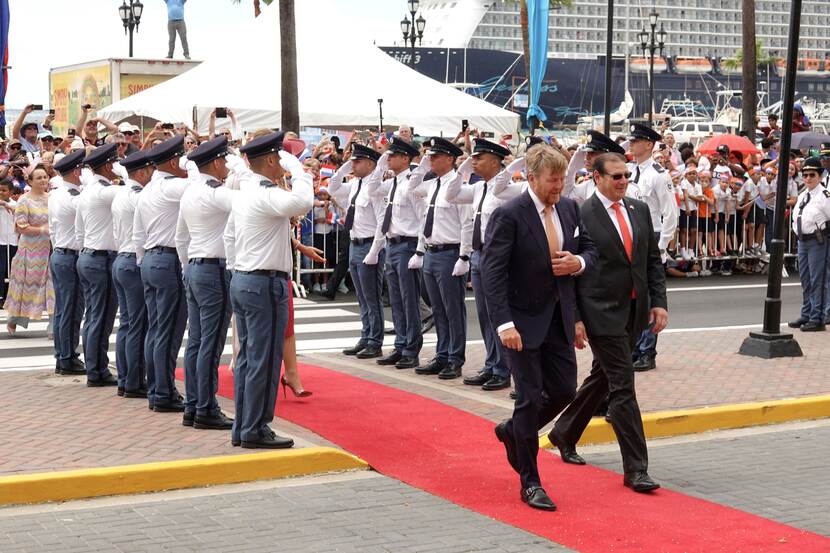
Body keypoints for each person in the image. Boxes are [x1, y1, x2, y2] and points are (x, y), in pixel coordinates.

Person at [482, 145, 596, 511]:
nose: (559, 186)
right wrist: (503, 323)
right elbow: (492, 273)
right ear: (531, 178)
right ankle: (530, 482)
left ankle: (514, 431)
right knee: (529, 398)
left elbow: (589, 251)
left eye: (563, 178)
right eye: (552, 180)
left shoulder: (568, 207)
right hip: (520, 322)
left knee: (564, 391)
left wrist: (576, 262)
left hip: (558, 319)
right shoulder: (509, 214)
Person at [550, 152, 668, 494]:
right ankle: (636, 469)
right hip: (599, 311)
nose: (623, 181)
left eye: (626, 176)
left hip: (634, 310)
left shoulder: (638, 209)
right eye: (615, 176)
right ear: (596, 177)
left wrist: (658, 302)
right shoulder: (580, 213)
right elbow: (570, 272)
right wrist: (574, 318)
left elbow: (651, 261)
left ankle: (565, 431)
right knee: (622, 385)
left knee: (603, 377)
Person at [223, 131, 313, 448]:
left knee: (249, 358)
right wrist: (299, 170)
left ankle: (244, 426)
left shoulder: (247, 193)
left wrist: (238, 269)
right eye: (281, 159)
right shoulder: (265, 193)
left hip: (245, 278)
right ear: (274, 160)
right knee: (264, 359)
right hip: (263, 283)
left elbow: (229, 239)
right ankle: (255, 429)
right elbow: (303, 200)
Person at [446, 139, 524, 391]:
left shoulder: (507, 190)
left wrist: (508, 170)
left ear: (494, 160)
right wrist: (461, 171)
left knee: (499, 314)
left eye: (478, 158)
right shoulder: (479, 188)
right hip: (479, 255)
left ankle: (504, 369)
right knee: (484, 314)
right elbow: (452, 194)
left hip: (498, 257)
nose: (474, 162)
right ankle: (492, 364)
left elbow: (502, 190)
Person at [176, 137, 236, 430]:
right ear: (214, 163)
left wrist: (189, 266)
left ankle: (193, 405)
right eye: (224, 160)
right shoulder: (215, 192)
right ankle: (206, 407)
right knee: (210, 345)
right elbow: (247, 203)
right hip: (213, 270)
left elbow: (180, 238)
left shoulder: (190, 192)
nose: (227, 165)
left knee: (196, 342)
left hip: (196, 267)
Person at [407, 137, 472, 380]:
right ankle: (442, 354)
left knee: (453, 309)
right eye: (429, 156)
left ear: (449, 159)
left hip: (450, 252)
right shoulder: (431, 184)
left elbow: (467, 224)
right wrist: (422, 166)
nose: (430, 159)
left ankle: (455, 358)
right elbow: (412, 188)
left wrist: (464, 255)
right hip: (432, 252)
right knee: (438, 310)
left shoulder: (459, 187)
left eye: (435, 156)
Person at [134, 136, 190, 412]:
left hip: (151, 259)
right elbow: (203, 183)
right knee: (168, 332)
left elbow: (137, 235)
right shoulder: (173, 187)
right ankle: (164, 392)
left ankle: (157, 389)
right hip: (167, 260)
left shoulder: (147, 190)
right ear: (172, 161)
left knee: (155, 330)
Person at [365, 137, 424, 369]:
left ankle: (411, 349)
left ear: (405, 158)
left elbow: (422, 219)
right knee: (397, 300)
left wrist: (419, 251)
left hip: (408, 244)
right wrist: (379, 168)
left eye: (392, 155)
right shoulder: (393, 183)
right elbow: (372, 190)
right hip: (392, 244)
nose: (387, 158)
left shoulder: (411, 183)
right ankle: (400, 345)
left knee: (410, 301)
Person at [625, 123, 677, 373]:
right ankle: (635, 347)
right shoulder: (628, 171)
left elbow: (671, 214)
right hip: (631, 235)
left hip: (651, 237)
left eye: (636, 141)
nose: (631, 144)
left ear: (648, 144)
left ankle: (647, 351)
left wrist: (661, 247)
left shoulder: (658, 175)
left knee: (648, 297)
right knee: (633, 297)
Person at [329, 144, 387, 359]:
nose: (353, 164)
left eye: (357, 161)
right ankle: (366, 336)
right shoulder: (355, 184)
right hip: (355, 243)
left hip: (370, 244)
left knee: (372, 297)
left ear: (371, 164)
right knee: (362, 298)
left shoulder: (375, 187)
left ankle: (375, 341)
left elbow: (382, 220)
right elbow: (332, 189)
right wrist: (343, 170)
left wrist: (375, 250)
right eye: (352, 161)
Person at [74, 144, 122, 387]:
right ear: (106, 165)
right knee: (101, 317)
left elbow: (78, 230)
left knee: (93, 315)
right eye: (114, 162)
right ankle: (97, 370)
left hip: (89, 255)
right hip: (101, 258)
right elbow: (134, 192)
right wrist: (125, 172)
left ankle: (95, 367)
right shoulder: (105, 191)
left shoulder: (87, 191)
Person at [111, 150, 154, 398]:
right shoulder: (138, 196)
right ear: (141, 172)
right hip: (133, 261)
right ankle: (135, 381)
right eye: (149, 170)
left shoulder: (122, 193)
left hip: (122, 258)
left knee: (128, 324)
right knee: (138, 325)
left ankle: (126, 379)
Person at [3, 165, 55, 336]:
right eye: (38, 178)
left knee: (52, 288)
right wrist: (42, 230)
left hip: (49, 251)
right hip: (29, 252)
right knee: (24, 288)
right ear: (30, 181)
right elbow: (21, 226)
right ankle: (14, 319)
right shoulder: (24, 200)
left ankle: (53, 326)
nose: (43, 180)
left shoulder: (52, 198)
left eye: (45, 177)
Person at [48, 151, 87, 376]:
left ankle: (64, 355)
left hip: (61, 252)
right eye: (81, 169)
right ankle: (67, 357)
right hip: (69, 255)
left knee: (65, 308)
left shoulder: (58, 194)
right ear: (75, 171)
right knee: (71, 309)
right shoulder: (73, 198)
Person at [788, 157, 830, 332]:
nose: (807, 178)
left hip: (818, 241)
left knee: (817, 280)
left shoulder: (824, 196)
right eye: (804, 175)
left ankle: (817, 317)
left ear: (820, 176)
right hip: (803, 241)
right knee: (805, 279)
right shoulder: (804, 194)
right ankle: (807, 313)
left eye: (812, 174)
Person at [564, 130, 626, 206]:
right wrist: (572, 169)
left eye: (592, 153)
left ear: (608, 155)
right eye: (586, 152)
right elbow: (565, 196)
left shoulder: (623, 185)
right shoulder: (589, 185)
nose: (587, 156)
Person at [0, 179, 18, 302]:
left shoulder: (15, 205)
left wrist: (8, 206)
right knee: (1, 269)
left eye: (4, 190)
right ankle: (1, 296)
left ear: (11, 192)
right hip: (0, 242)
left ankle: (10, 297)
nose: (1, 193)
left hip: (13, 241)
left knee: (11, 270)